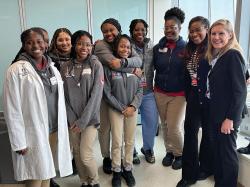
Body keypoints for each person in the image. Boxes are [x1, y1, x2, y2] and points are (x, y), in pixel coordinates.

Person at [3, 27, 72, 187]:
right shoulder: (16, 70)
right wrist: (18, 141)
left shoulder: (52, 67)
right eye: (29, 42)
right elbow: (11, 108)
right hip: (32, 133)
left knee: (47, 173)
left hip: (54, 130)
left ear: (46, 44)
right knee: (35, 178)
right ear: (23, 45)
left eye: (39, 41)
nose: (35, 46)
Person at [94, 18, 142, 174]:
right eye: (105, 31)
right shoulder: (101, 45)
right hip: (108, 95)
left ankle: (127, 162)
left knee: (128, 135)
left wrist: (133, 106)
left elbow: (138, 60)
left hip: (128, 100)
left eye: (111, 30)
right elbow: (114, 65)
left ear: (118, 30)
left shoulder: (125, 43)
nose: (108, 33)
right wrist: (134, 70)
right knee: (107, 130)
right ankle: (108, 158)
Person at [206, 19, 247, 187]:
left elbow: (240, 91)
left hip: (228, 115)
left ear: (230, 35)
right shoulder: (219, 55)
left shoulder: (233, 54)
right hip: (218, 112)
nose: (216, 37)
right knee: (220, 153)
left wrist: (230, 118)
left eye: (221, 33)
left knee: (227, 155)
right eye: (213, 34)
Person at [60, 30, 103, 187]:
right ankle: (84, 181)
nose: (83, 47)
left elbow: (96, 95)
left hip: (90, 119)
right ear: (74, 45)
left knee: (85, 154)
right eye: (79, 43)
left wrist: (83, 121)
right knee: (77, 153)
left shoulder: (96, 65)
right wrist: (72, 119)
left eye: (87, 44)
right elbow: (63, 96)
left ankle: (95, 181)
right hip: (72, 119)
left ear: (91, 46)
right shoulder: (65, 67)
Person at [176, 16, 214, 187]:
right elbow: (188, 75)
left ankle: (205, 168)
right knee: (190, 135)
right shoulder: (190, 49)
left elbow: (244, 77)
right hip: (193, 98)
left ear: (207, 28)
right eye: (191, 31)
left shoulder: (214, 49)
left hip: (210, 101)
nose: (194, 34)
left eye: (198, 29)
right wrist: (188, 94)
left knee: (208, 134)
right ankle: (188, 175)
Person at [103, 34, 143, 187]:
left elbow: (141, 88)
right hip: (116, 109)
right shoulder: (110, 67)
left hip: (132, 109)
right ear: (116, 48)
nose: (125, 49)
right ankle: (117, 170)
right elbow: (107, 92)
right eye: (122, 46)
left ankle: (128, 168)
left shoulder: (136, 69)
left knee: (130, 140)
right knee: (117, 141)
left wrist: (133, 106)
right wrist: (121, 108)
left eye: (128, 47)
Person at [153, 7, 186, 170]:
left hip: (179, 95)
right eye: (166, 27)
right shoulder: (158, 47)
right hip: (160, 92)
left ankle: (180, 154)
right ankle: (169, 152)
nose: (169, 30)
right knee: (165, 125)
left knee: (174, 126)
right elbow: (150, 66)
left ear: (179, 28)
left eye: (173, 27)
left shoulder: (186, 48)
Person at [129, 19, 159, 164]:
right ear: (131, 31)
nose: (139, 32)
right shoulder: (126, 46)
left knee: (151, 122)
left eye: (142, 29)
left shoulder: (152, 46)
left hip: (147, 92)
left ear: (146, 30)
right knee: (130, 124)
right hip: (130, 93)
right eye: (136, 30)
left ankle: (147, 148)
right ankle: (131, 150)